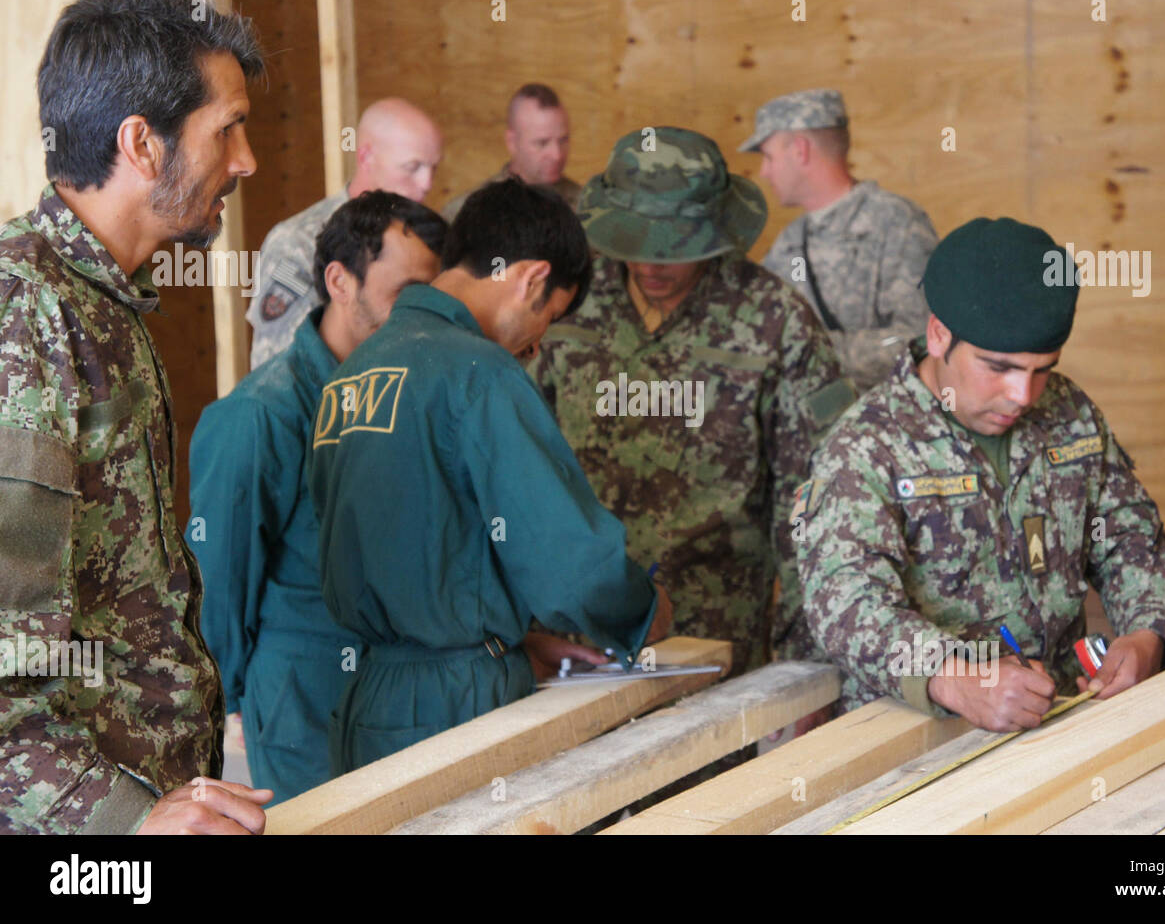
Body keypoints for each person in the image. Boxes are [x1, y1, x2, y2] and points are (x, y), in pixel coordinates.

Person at [0, 0, 271, 834]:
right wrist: (123, 825)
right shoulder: (26, 316)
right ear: (142, 144)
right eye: (226, 130)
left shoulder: (101, 303)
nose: (246, 162)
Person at [309, 178, 670, 775]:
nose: (535, 346)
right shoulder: (478, 371)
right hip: (460, 706)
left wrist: (507, 638)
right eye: (546, 318)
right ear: (529, 278)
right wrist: (642, 612)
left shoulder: (355, 370)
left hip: (369, 698)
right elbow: (572, 567)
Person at [795, 217, 1165, 732]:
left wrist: (1146, 634)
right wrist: (955, 680)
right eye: (998, 368)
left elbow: (1130, 540)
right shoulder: (866, 447)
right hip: (919, 736)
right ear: (939, 335)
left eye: (1042, 368)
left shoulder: (1069, 414)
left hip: (1061, 716)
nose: (1023, 396)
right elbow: (846, 605)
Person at [532, 127, 856, 676]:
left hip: (718, 637)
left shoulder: (776, 322)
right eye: (637, 244)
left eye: (675, 248)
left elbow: (810, 505)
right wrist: (525, 628)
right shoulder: (566, 307)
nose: (652, 265)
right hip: (577, 637)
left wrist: (806, 668)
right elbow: (519, 475)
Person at [189, 192, 445, 803]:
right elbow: (219, 584)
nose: (422, 314)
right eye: (405, 293)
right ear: (340, 281)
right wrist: (229, 707)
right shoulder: (260, 416)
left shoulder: (416, 392)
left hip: (405, 686)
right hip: (303, 694)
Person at [742, 88, 936, 391]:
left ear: (800, 151)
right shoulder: (791, 240)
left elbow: (922, 339)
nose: (764, 172)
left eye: (768, 157)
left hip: (880, 428)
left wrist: (811, 349)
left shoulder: (896, 223)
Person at [247, 98, 444, 367]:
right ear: (365, 157)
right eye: (412, 168)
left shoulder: (426, 239)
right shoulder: (298, 243)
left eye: (433, 168)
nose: (427, 184)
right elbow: (278, 367)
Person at [441, 83, 579, 221]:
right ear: (512, 142)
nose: (557, 155)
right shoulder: (466, 214)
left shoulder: (590, 211)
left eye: (563, 140)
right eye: (542, 143)